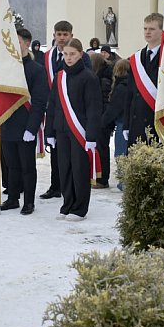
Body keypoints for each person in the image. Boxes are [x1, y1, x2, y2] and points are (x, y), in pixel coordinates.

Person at [45, 38, 103, 221]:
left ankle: (79, 208)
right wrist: (49, 132)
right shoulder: (60, 76)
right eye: (66, 54)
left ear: (81, 55)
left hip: (80, 132)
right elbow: (53, 105)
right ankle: (67, 204)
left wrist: (92, 136)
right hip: (61, 131)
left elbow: (94, 109)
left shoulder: (89, 77)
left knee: (79, 170)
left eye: (73, 54)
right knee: (65, 169)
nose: (68, 58)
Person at [0, 28, 48, 215]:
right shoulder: (6, 69)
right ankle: (12, 198)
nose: (14, 45)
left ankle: (28, 202)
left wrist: (32, 128)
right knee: (11, 166)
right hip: (8, 124)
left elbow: (39, 102)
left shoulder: (36, 70)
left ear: (27, 44)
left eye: (18, 41)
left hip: (26, 125)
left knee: (27, 167)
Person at [40, 20, 91, 200]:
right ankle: (56, 186)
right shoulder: (46, 56)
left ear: (71, 35)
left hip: (74, 114)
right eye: (58, 34)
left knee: (74, 159)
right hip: (54, 111)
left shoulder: (81, 57)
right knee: (57, 153)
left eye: (65, 34)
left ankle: (73, 192)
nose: (61, 38)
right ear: (54, 35)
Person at [123, 13, 163, 147]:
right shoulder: (137, 58)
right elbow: (129, 93)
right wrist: (126, 124)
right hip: (136, 121)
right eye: (145, 28)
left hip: (157, 121)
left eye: (152, 29)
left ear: (162, 31)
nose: (147, 32)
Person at [102, 58, 132, 190]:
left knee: (121, 153)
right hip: (130, 123)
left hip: (122, 123)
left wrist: (103, 122)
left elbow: (114, 108)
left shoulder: (120, 87)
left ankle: (124, 182)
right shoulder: (130, 84)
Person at [90, 52, 113, 188]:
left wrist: (102, 120)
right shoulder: (102, 77)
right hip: (100, 119)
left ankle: (102, 179)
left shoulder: (103, 80)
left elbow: (104, 101)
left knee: (102, 149)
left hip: (102, 120)